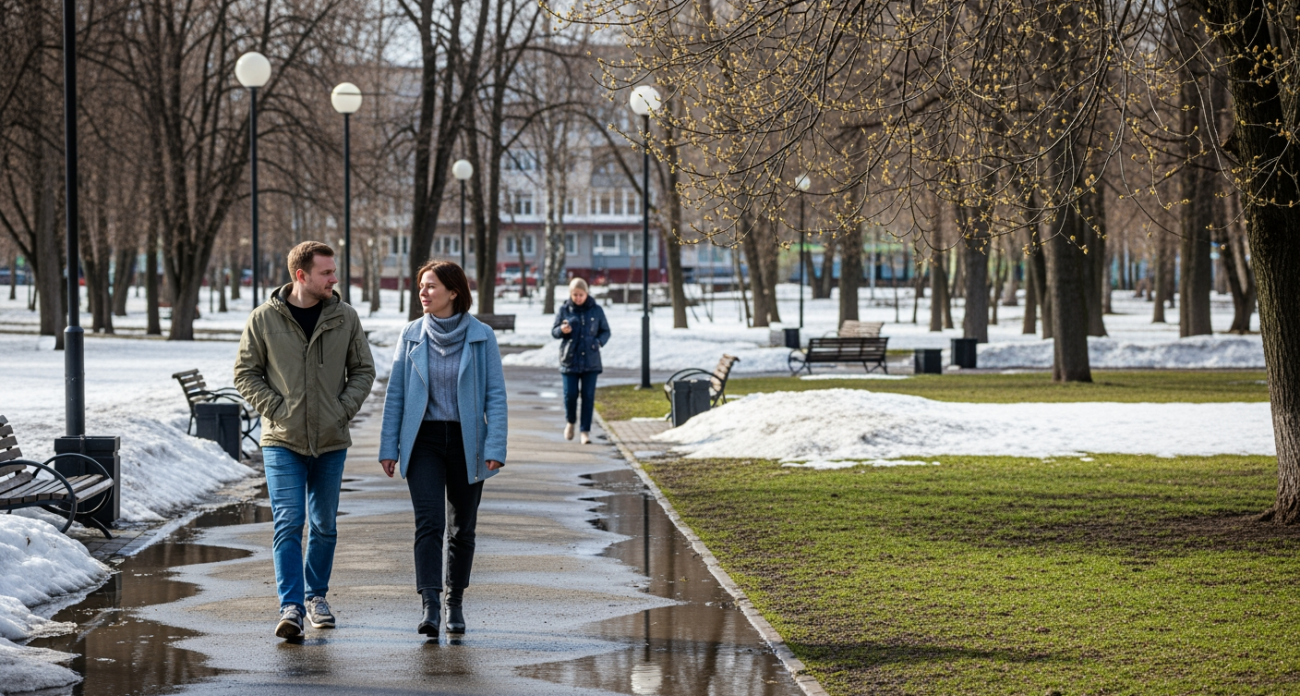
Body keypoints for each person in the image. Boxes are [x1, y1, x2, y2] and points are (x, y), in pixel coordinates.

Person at [234, 241, 376, 639]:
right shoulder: (263, 319)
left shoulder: (345, 317)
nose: (335, 279)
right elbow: (246, 373)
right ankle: (291, 607)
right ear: (302, 275)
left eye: (333, 271)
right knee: (289, 522)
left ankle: (316, 596)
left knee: (324, 525)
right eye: (327, 273)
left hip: (331, 440)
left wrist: (341, 409)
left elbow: (363, 370)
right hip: (282, 440)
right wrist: (278, 409)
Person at [378, 260, 507, 638]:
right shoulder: (411, 335)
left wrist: (495, 444)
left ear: (454, 291)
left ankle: (455, 602)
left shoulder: (481, 336)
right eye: (421, 286)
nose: (423, 292)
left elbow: (495, 396)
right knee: (429, 523)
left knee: (462, 528)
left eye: (431, 286)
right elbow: (396, 395)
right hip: (424, 441)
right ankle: (430, 604)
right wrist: (390, 446)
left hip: (469, 441)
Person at [551, 277, 611, 445]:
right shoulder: (564, 309)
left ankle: (585, 431)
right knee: (570, 395)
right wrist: (562, 330)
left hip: (591, 361)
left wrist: (598, 342)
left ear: (586, 293)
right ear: (570, 294)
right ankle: (570, 422)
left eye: (581, 294)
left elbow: (605, 331)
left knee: (588, 396)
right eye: (575, 294)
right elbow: (554, 331)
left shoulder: (596, 310)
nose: (578, 298)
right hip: (569, 360)